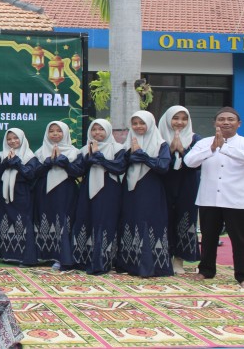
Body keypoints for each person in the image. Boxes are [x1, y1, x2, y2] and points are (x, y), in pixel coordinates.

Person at [184, 106, 244, 288]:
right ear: (215, 123)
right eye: (221, 119)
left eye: (230, 119)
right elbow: (189, 162)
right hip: (209, 198)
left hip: (237, 200)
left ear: (238, 123)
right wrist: (212, 149)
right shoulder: (204, 143)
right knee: (208, 237)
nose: (226, 122)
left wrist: (225, 148)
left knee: (241, 240)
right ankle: (206, 270)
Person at [117, 110, 173, 277]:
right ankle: (130, 264)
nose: (138, 126)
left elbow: (163, 166)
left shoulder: (161, 144)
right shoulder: (127, 145)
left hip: (151, 188)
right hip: (130, 189)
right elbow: (119, 166)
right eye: (135, 123)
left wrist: (143, 155)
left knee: (149, 222)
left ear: (150, 124)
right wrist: (129, 155)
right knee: (131, 220)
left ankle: (152, 266)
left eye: (142, 123)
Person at [72, 119, 126, 275]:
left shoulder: (118, 148)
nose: (97, 132)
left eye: (101, 129)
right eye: (94, 129)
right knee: (86, 218)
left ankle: (103, 260)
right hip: (87, 189)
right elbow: (78, 170)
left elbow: (119, 167)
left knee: (105, 220)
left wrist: (99, 157)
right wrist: (89, 157)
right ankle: (83, 259)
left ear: (108, 130)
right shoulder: (84, 149)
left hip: (109, 189)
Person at [158, 106, 202, 274]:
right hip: (163, 183)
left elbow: (198, 163)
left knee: (186, 218)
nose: (180, 122)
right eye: (175, 118)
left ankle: (179, 259)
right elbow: (156, 163)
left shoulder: (195, 139)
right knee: (164, 218)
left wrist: (183, 150)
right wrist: (169, 150)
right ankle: (164, 257)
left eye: (184, 119)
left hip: (187, 183)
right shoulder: (158, 138)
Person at [33, 121, 82, 270]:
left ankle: (62, 257)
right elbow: (34, 173)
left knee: (63, 220)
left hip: (65, 191)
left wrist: (64, 161)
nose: (55, 134)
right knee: (45, 218)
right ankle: (44, 254)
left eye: (59, 131)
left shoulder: (74, 152)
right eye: (51, 131)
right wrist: (48, 162)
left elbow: (78, 171)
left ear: (65, 133)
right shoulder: (40, 152)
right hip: (44, 191)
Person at [0, 128, 40, 266]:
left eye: (16, 138)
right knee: (4, 222)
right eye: (9, 139)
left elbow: (30, 174)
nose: (12, 141)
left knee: (22, 222)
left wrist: (16, 162)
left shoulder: (30, 156)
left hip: (21, 193)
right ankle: (6, 255)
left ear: (22, 139)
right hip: (2, 194)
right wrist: (5, 162)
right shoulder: (2, 155)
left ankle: (25, 258)